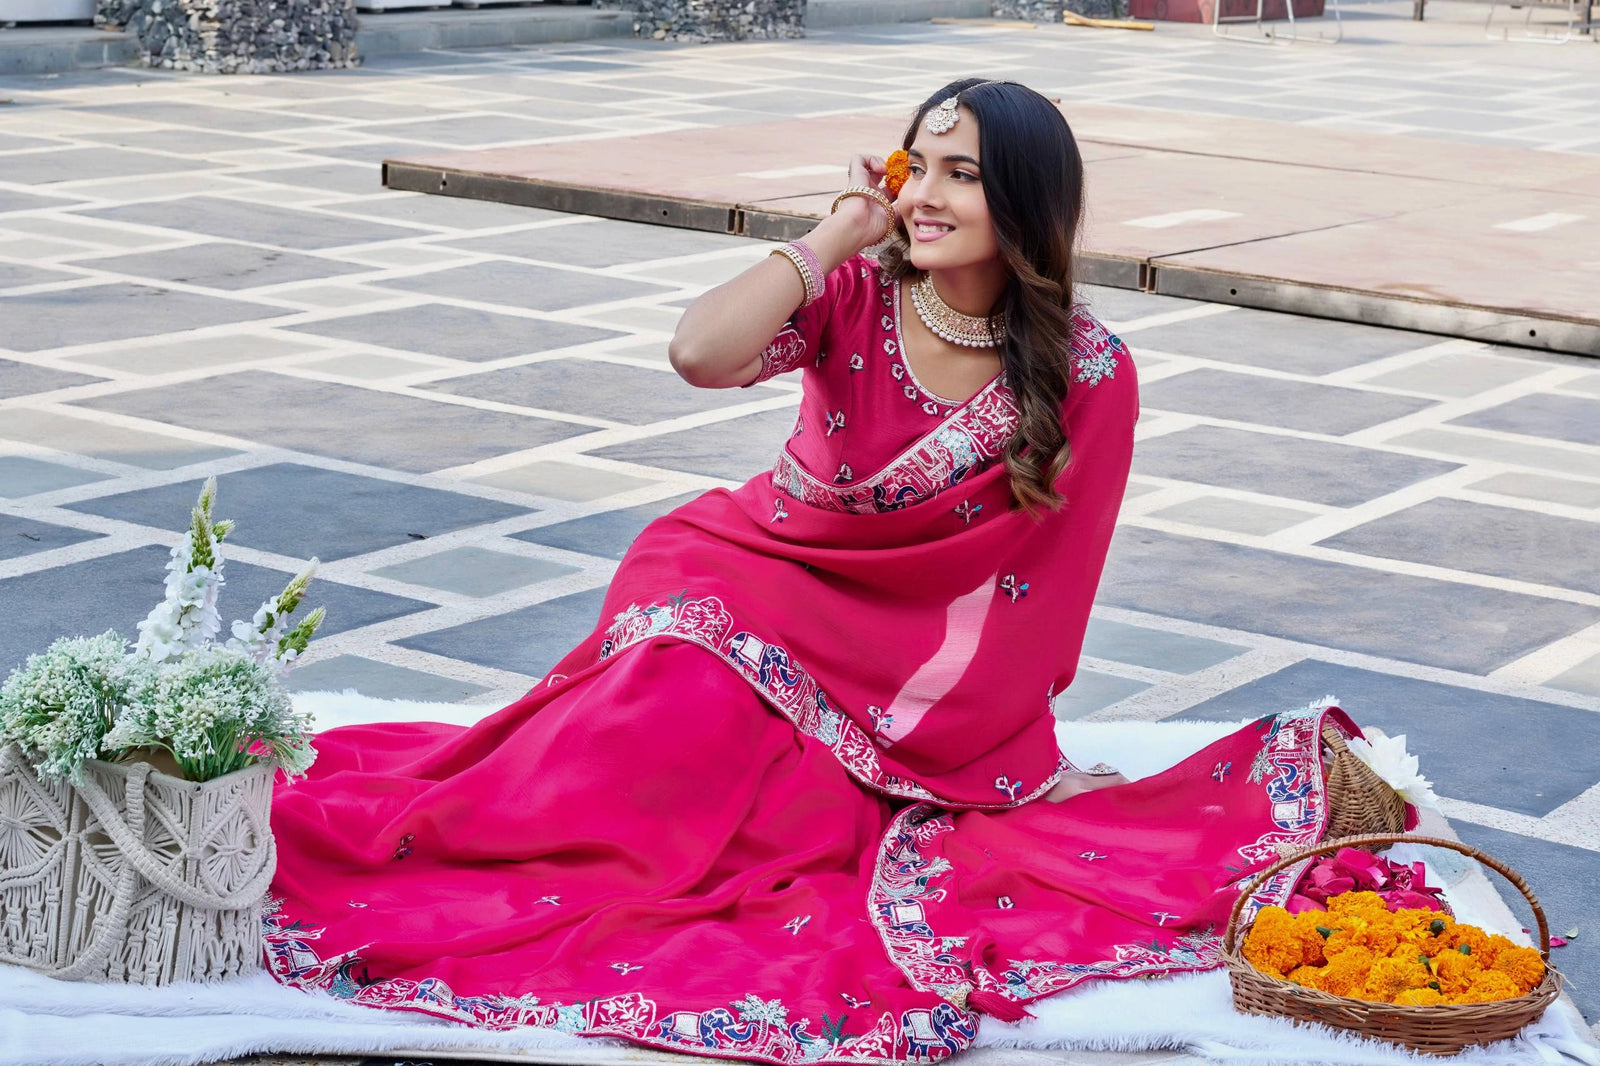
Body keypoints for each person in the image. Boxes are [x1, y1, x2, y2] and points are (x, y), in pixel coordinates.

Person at [264, 79, 1390, 1064]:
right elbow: (696, 352)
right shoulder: (851, 295)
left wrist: (1007, 751)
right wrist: (832, 234)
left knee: (797, 812)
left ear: (1028, 204)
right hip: (738, 579)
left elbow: (1042, 589)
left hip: (896, 660)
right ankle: (493, 830)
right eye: (921, 166)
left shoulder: (1090, 372)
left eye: (967, 175)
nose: (930, 196)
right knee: (666, 707)